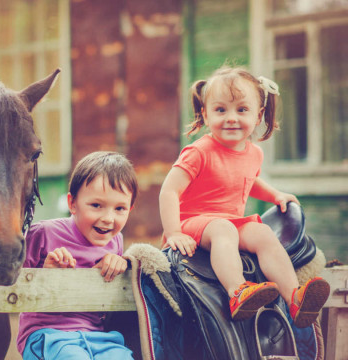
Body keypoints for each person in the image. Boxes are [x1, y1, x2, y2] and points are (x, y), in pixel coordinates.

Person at [158, 66, 330, 328]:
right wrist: (173, 232)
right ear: (205, 114)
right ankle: (238, 291)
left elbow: (248, 180)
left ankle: (295, 298)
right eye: (220, 110)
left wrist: (275, 195)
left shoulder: (254, 153)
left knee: (262, 234)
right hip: (193, 224)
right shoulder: (199, 151)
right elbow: (169, 190)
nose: (231, 118)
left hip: (229, 223)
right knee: (224, 229)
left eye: (241, 110)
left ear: (258, 114)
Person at [17, 151, 138, 360]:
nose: (108, 218)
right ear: (73, 203)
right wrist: (44, 274)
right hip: (47, 335)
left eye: (120, 208)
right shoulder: (43, 234)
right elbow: (12, 286)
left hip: (97, 337)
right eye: (96, 205)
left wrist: (120, 264)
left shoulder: (116, 242)